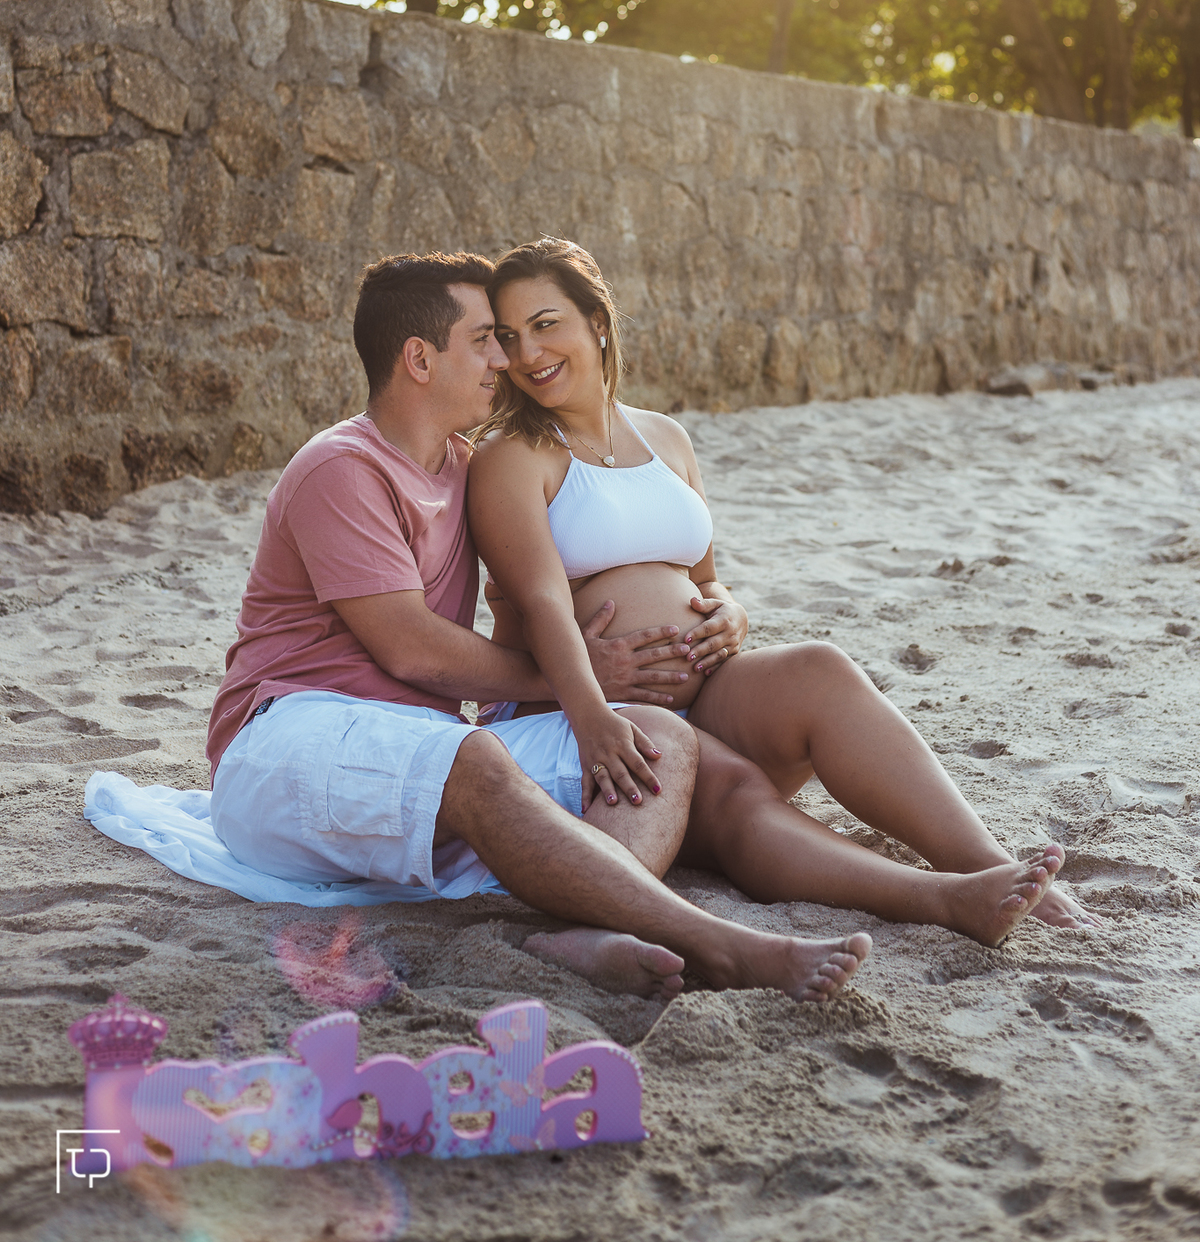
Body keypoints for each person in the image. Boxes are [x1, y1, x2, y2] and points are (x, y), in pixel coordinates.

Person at [206, 251, 879, 1005]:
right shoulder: (343, 466)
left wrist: (675, 635)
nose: (506, 359)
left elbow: (548, 583)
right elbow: (410, 647)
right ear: (420, 359)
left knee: (659, 739)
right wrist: (577, 681)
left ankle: (595, 931)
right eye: (486, 339)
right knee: (476, 760)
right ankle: (723, 944)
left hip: (414, 757)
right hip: (288, 739)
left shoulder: (464, 468)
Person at [468, 236, 1086, 945]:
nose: (528, 353)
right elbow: (544, 603)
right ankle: (943, 900)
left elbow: (701, 574)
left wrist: (731, 608)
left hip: (712, 692)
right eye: (510, 337)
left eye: (546, 324)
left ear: (597, 322)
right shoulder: (513, 455)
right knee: (737, 791)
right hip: (592, 722)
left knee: (821, 667)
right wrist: (592, 717)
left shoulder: (664, 438)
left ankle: (986, 864)